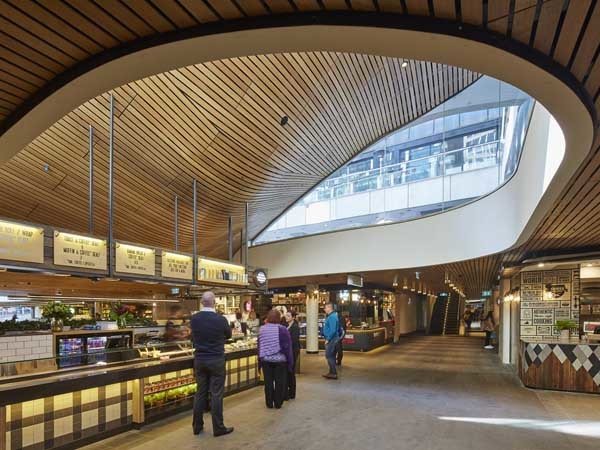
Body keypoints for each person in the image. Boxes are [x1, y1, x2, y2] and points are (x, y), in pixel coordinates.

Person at [190, 291, 234, 437]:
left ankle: (197, 426)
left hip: (200, 360)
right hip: (216, 359)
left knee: (200, 393)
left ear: (202, 302)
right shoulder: (220, 319)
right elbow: (228, 335)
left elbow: (192, 337)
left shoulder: (194, 319)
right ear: (214, 302)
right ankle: (218, 427)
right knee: (216, 394)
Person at [258, 309, 293, 409]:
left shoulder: (262, 329)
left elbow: (260, 345)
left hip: (266, 360)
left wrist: (259, 361)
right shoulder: (282, 329)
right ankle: (278, 403)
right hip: (280, 360)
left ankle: (269, 402)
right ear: (279, 318)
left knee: (268, 382)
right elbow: (287, 347)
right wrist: (290, 361)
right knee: (279, 382)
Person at [284, 311, 300, 400]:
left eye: (288, 316)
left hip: (293, 352)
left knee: (291, 371)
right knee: (288, 372)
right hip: (288, 352)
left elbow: (293, 341)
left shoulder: (295, 327)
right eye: (286, 315)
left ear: (293, 317)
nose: (286, 317)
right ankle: (288, 392)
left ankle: (292, 393)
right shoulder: (287, 326)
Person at [322, 302, 341, 380]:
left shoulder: (332, 317)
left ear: (330, 308)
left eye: (325, 308)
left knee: (329, 355)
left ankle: (333, 373)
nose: (324, 309)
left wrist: (328, 339)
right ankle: (331, 372)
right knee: (331, 356)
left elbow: (333, 330)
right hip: (333, 338)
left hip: (332, 339)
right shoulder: (332, 316)